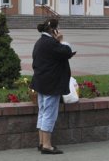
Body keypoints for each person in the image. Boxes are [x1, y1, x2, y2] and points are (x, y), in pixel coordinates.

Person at [31, 18, 75, 154]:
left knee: (43, 112)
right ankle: (47, 145)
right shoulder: (52, 43)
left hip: (41, 83)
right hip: (51, 84)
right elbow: (67, 52)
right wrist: (61, 40)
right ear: (54, 30)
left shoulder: (40, 42)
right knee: (49, 114)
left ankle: (41, 142)